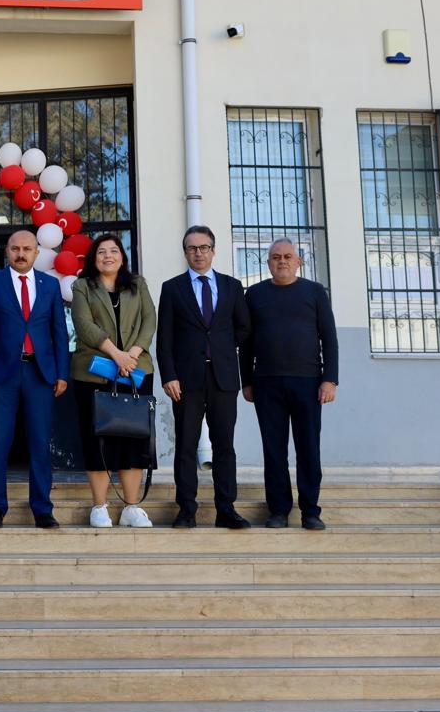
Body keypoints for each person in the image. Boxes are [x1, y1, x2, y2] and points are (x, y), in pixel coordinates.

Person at [155, 224, 251, 530]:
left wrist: (222, 348)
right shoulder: (173, 288)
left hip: (223, 377)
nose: (198, 253)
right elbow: (164, 338)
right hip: (186, 380)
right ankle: (186, 510)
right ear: (185, 253)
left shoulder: (232, 286)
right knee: (186, 446)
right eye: (192, 248)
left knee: (225, 446)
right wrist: (169, 375)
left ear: (213, 250)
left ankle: (226, 509)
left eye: (204, 247)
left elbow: (244, 328)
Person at [240, 238, 339, 531]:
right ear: (268, 263)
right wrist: (247, 381)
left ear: (298, 262)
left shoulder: (315, 292)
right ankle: (279, 510)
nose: (281, 261)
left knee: (308, 449)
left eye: (287, 256)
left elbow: (329, 338)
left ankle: (310, 511)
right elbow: (246, 343)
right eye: (275, 257)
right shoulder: (254, 294)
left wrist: (330, 379)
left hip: (308, 382)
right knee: (274, 451)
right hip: (266, 383)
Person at [0, 230, 71, 529]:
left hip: (40, 373)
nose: (21, 254)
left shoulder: (50, 285)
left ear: (36, 252)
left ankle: (42, 509)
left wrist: (62, 373)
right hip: (2, 374)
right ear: (7, 250)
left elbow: (59, 332)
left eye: (27, 249)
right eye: (15, 248)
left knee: (40, 443)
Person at [70, 233, 158, 529]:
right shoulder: (82, 286)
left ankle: (132, 507)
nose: (108, 256)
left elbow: (149, 320)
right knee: (99, 440)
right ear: (93, 258)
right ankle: (99, 507)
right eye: (101, 252)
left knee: (134, 437)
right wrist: (116, 355)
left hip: (135, 371)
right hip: (94, 372)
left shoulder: (138, 284)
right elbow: (84, 325)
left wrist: (132, 354)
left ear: (122, 256)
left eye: (114, 251)